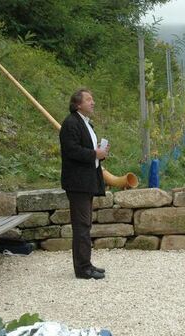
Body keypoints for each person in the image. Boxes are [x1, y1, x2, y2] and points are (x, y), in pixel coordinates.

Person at [60, 89, 109, 280]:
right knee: (81, 225)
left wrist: (99, 152)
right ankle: (82, 268)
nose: (93, 102)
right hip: (77, 182)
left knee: (85, 224)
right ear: (77, 104)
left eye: (92, 99)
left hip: (86, 180)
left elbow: (85, 149)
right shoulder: (71, 123)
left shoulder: (85, 123)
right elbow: (71, 150)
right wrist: (94, 154)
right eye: (88, 99)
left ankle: (86, 263)